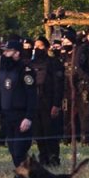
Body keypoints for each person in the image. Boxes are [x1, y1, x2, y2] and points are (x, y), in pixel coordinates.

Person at [0, 39, 37, 178]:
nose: (5, 54)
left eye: (8, 51)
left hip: (22, 116)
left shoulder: (26, 71)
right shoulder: (3, 70)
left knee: (19, 151)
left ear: (17, 53)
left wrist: (28, 117)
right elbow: (1, 95)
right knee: (13, 151)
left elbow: (32, 96)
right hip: (7, 117)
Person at [30, 36, 63, 166]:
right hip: (35, 102)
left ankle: (54, 157)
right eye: (35, 47)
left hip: (49, 102)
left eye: (40, 46)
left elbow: (58, 86)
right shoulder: (31, 65)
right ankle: (43, 157)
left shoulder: (54, 63)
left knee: (50, 131)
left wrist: (56, 104)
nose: (37, 49)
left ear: (47, 48)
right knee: (38, 132)